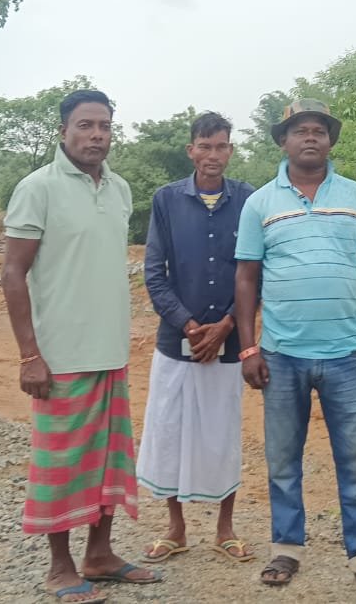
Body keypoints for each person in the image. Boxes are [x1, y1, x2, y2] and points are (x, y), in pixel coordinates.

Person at [234, 98, 356, 598]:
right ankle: (287, 548)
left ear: (330, 141)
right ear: (283, 141)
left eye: (319, 130)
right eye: (300, 130)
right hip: (281, 354)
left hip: (347, 353)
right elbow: (246, 278)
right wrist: (248, 348)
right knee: (284, 460)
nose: (310, 137)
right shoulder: (260, 203)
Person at [2, 89, 160, 603]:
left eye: (105, 126)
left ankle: (100, 554)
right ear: (63, 131)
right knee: (62, 467)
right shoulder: (38, 188)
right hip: (61, 356)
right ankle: (60, 566)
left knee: (108, 461)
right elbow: (13, 273)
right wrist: (30, 354)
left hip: (110, 351)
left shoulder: (120, 189)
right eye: (85, 125)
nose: (96, 135)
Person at [135, 111, 256, 565]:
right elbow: (154, 272)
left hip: (230, 342)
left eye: (221, 146)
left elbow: (256, 271)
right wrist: (187, 325)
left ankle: (225, 528)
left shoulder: (249, 200)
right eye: (204, 146)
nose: (212, 155)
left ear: (231, 150)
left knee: (223, 432)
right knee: (169, 430)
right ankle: (176, 528)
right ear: (191, 150)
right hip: (175, 343)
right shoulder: (166, 200)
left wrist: (227, 325)